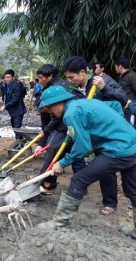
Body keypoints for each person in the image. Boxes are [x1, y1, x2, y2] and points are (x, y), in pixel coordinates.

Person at [37, 86, 136, 239]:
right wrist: (114, 128)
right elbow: (115, 106)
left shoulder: (71, 113)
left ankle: (59, 223)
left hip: (118, 150)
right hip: (132, 143)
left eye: (49, 107)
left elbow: (83, 147)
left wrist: (62, 163)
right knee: (132, 190)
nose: (49, 111)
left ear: (59, 102)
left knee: (79, 179)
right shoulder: (84, 103)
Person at [62, 56, 128, 215]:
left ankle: (110, 202)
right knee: (79, 155)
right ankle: (78, 191)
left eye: (72, 77)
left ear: (83, 72)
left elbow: (123, 100)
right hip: (88, 131)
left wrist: (105, 88)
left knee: (107, 167)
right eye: (67, 78)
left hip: (108, 132)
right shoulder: (73, 89)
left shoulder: (103, 81)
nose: (70, 81)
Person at [35, 64, 85, 195]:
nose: (40, 80)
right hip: (67, 124)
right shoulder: (55, 86)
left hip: (66, 125)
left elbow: (56, 115)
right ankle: (81, 185)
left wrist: (46, 131)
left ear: (50, 76)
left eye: (41, 78)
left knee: (54, 150)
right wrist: (42, 139)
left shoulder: (56, 89)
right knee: (76, 155)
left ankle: (46, 183)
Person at [0, 69, 26, 139]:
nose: (7, 79)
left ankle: (19, 145)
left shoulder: (16, 85)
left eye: (9, 77)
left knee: (17, 128)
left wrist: (5, 106)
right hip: (13, 111)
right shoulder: (7, 85)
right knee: (15, 127)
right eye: (5, 77)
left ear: (13, 77)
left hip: (18, 110)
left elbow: (15, 99)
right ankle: (20, 142)